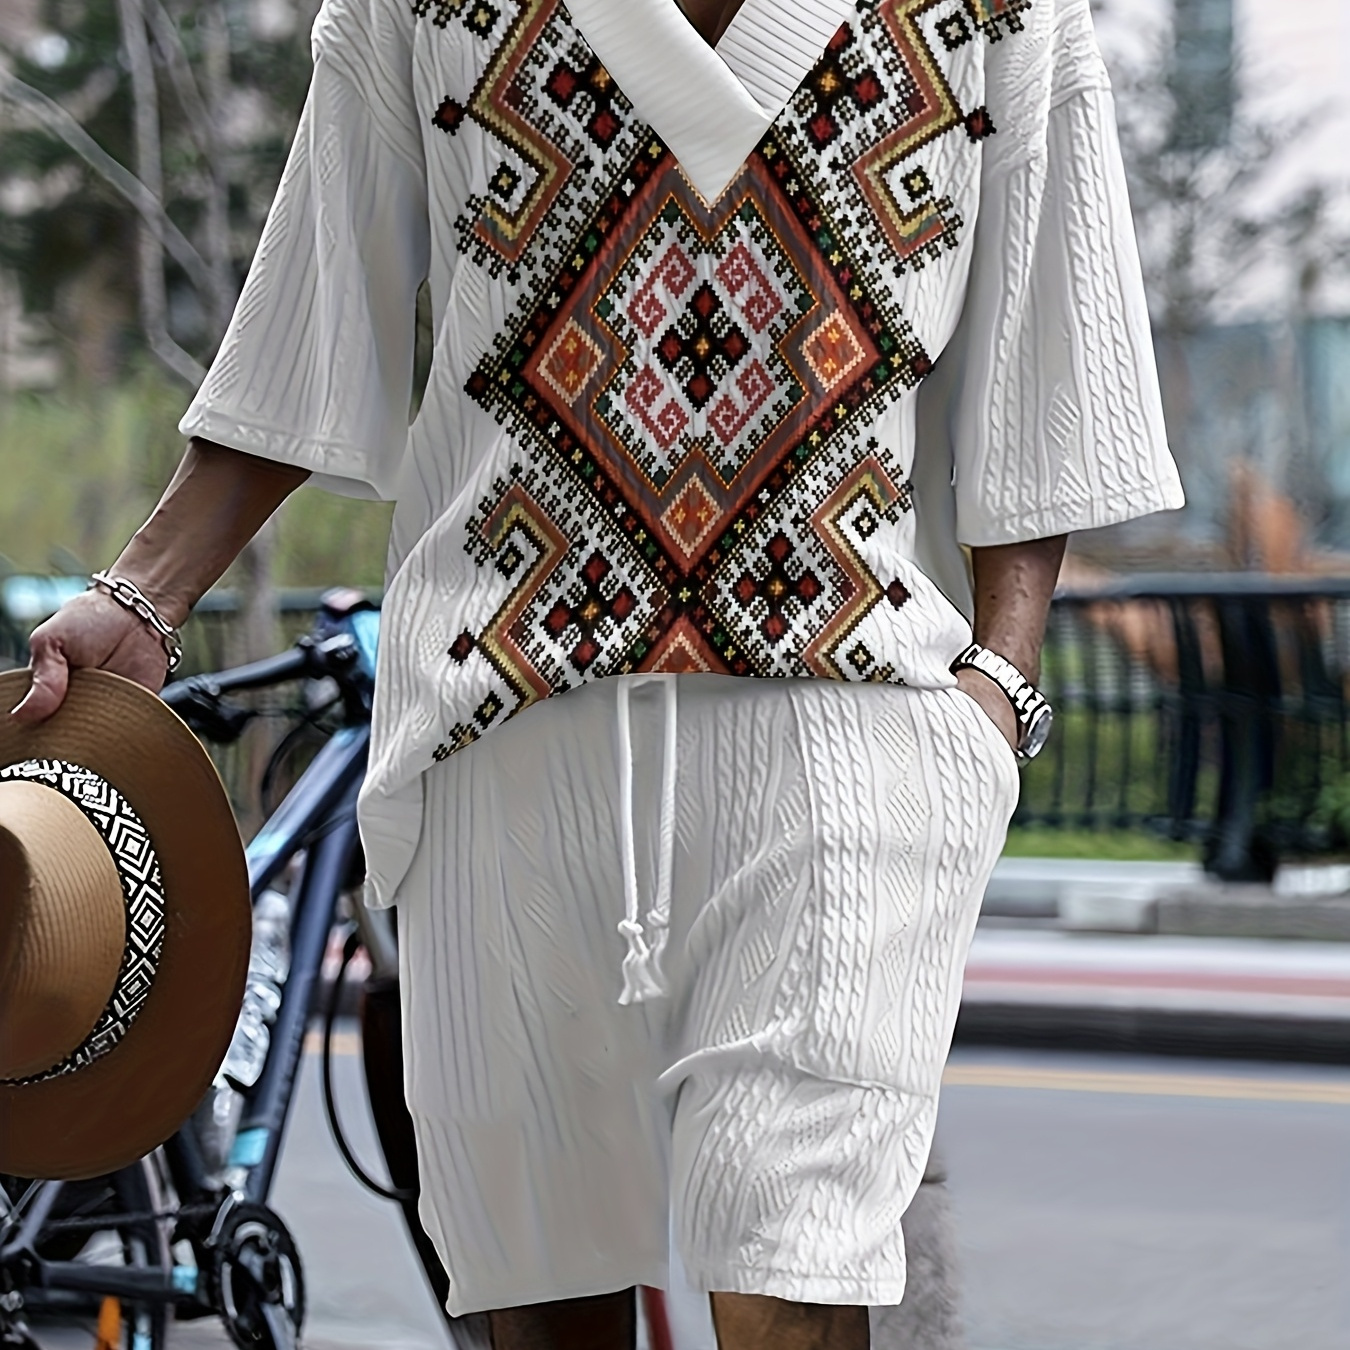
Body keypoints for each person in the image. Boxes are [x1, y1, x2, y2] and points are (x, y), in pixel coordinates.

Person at [14, 0, 1183, 1345]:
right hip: (499, 737)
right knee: (536, 1298)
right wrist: (144, 595)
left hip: (848, 739)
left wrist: (997, 688)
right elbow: (311, 313)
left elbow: (1048, 349)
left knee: (797, 1267)